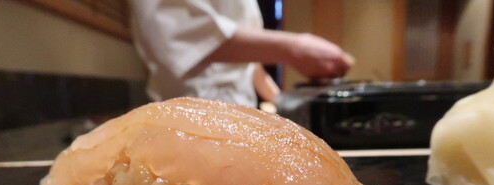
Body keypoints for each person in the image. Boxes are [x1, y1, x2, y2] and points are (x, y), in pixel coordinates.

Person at [129, 0, 354, 107]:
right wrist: (293, 48)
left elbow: (247, 63)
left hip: (242, 115)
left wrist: (282, 102)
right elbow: (177, 32)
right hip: (187, 114)